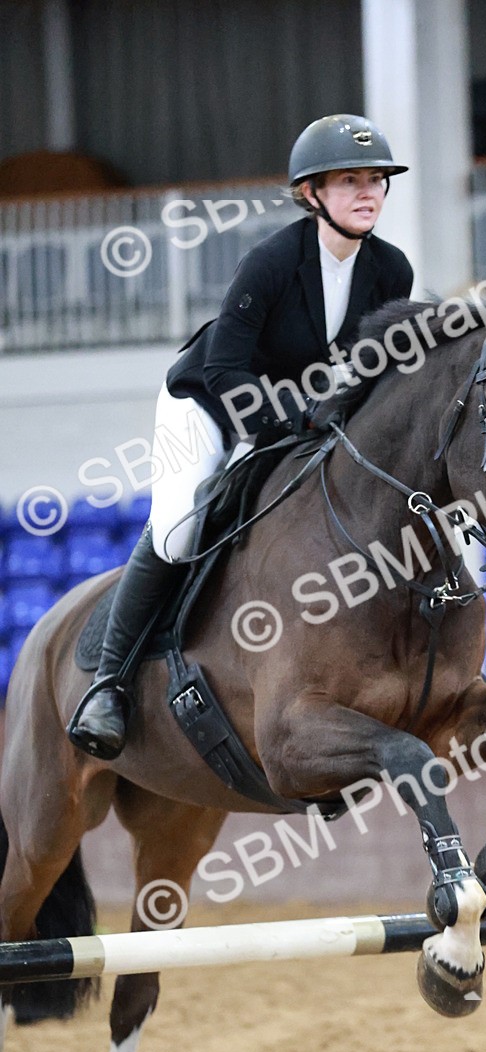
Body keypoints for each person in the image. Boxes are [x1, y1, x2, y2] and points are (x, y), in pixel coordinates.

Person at [68, 113, 412, 760]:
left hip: (299, 410)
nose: (369, 192)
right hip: (208, 402)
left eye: (377, 180)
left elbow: (372, 369)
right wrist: (283, 424)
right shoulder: (272, 262)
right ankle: (109, 685)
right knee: (177, 531)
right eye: (349, 181)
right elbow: (227, 366)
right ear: (312, 194)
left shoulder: (391, 271)